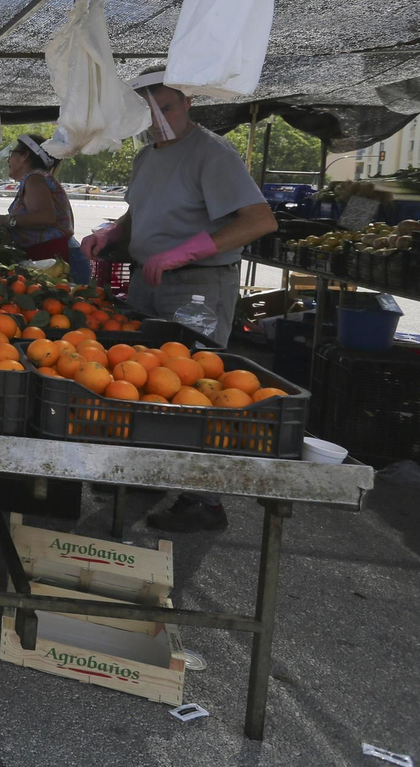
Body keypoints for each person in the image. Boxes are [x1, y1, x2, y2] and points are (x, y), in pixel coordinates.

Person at [82, 67, 277, 534]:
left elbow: (259, 220)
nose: (159, 121)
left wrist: (188, 249)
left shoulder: (212, 153)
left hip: (198, 285)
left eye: (166, 108)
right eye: (149, 113)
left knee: (197, 389)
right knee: (147, 384)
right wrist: (111, 232)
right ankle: (151, 473)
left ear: (187, 103)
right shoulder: (147, 156)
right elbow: (139, 211)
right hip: (149, 282)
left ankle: (203, 499)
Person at [0, 133, 74, 262]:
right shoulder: (38, 177)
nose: (7, 160)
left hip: (57, 255)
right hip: (53, 253)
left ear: (25, 155)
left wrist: (4, 220)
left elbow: (46, 217)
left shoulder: (34, 178)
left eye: (11, 154)